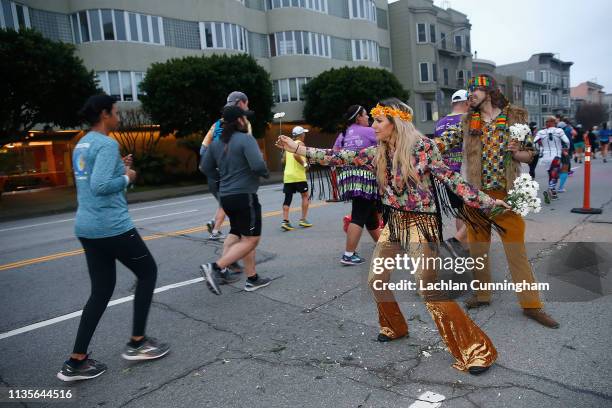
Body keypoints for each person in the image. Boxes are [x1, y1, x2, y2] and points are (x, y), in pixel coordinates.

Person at [277, 98, 510, 375]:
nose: (373, 125)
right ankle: (395, 326)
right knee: (376, 279)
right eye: (373, 120)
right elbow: (338, 157)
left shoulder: (423, 148)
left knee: (429, 291)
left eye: (378, 121)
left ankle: (477, 351)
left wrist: (488, 202)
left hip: (420, 225)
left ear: (395, 123)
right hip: (394, 223)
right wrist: (298, 148)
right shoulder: (378, 152)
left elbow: (453, 180)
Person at [58, 95, 169, 382]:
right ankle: (137, 342)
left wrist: (118, 166)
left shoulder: (81, 143)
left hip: (87, 227)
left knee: (101, 290)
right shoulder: (106, 143)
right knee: (148, 272)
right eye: (116, 112)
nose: (119, 116)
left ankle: (76, 361)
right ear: (105, 114)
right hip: (112, 227)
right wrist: (128, 176)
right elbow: (101, 185)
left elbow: (93, 179)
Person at [436, 74, 559, 329]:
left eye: (474, 91)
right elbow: (444, 141)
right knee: (479, 248)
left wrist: (518, 152)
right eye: (469, 92)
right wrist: (418, 147)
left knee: (516, 251)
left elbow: (529, 156)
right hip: (478, 196)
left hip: (507, 196)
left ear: (488, 91)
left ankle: (532, 305)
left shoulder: (516, 118)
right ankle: (482, 295)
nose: (470, 96)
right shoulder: (468, 121)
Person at [200, 105, 272, 294]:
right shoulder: (245, 140)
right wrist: (265, 172)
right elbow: (257, 165)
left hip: (227, 197)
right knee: (251, 240)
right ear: (239, 121)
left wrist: (223, 177)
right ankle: (215, 267)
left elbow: (205, 168)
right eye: (245, 118)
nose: (247, 120)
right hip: (244, 196)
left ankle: (252, 278)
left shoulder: (216, 144)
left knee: (237, 235)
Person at [332, 105, 381, 265]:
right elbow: (386, 148)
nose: (369, 118)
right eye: (366, 115)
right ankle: (348, 254)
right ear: (359, 116)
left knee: (370, 215)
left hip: (347, 179)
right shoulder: (369, 132)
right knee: (359, 214)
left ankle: (384, 247)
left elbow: (334, 155)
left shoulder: (343, 134)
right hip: (365, 178)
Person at [200, 91, 252, 241]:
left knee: (225, 202)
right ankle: (216, 232)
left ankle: (214, 224)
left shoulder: (215, 125)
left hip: (213, 175)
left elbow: (203, 150)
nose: (247, 107)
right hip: (230, 174)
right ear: (240, 103)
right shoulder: (243, 124)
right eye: (246, 103)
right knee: (230, 205)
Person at [434, 89, 470, 257]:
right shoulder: (468, 120)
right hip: (466, 173)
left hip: (447, 175)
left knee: (461, 211)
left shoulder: (440, 123)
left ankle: (463, 248)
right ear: (466, 103)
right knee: (480, 210)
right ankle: (456, 241)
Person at [281, 126, 312, 230]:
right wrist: (305, 164)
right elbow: (296, 155)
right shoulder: (300, 144)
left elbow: (283, 160)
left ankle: (285, 221)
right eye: (304, 133)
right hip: (298, 176)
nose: (305, 135)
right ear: (301, 135)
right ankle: (303, 220)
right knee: (305, 196)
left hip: (288, 176)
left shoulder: (288, 145)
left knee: (287, 198)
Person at [534, 116, 570, 202]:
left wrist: (540, 149)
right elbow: (567, 141)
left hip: (545, 157)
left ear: (546, 123)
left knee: (551, 174)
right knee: (555, 174)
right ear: (554, 122)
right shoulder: (559, 131)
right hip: (556, 155)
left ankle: (553, 193)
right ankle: (550, 189)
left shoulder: (541, 132)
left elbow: (534, 143)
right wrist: (565, 149)